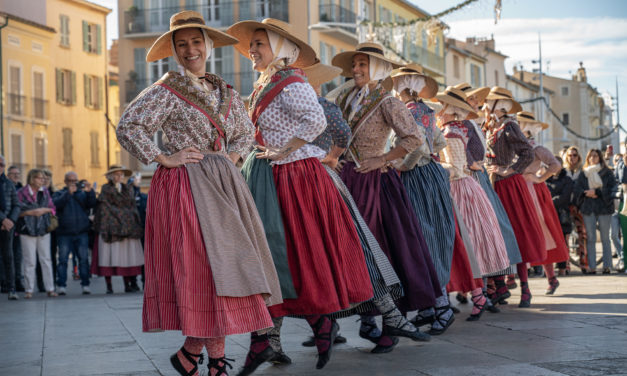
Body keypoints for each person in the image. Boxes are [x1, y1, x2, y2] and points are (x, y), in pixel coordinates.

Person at [117, 11, 281, 376]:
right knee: (204, 271)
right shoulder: (166, 88)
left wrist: (232, 157)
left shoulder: (224, 90)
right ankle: (213, 363)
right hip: (185, 184)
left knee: (225, 270)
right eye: (182, 44)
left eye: (195, 42)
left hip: (223, 183)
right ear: (175, 51)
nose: (190, 49)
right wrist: (164, 157)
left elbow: (243, 132)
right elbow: (129, 125)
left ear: (207, 45)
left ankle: (194, 355)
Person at [228, 19, 374, 373]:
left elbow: (316, 122)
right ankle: (276, 338)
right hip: (267, 175)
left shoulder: (292, 81)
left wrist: (285, 149)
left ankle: (307, 328)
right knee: (269, 258)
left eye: (260, 44)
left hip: (293, 177)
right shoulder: (266, 83)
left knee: (292, 255)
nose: (253, 50)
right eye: (253, 44)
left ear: (279, 48)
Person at [331, 42, 442, 335]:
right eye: (354, 65)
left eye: (362, 65)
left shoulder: (388, 101)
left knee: (378, 244)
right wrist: (335, 157)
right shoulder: (347, 98)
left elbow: (414, 138)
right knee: (350, 245)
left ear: (378, 69)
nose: (355, 70)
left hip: (375, 180)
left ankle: (384, 317)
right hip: (348, 179)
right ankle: (366, 316)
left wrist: (383, 158)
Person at [390, 64, 457, 332]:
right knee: (432, 237)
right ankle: (430, 306)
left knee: (424, 239)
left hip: (416, 177)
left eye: (396, 83)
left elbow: (416, 144)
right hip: (433, 175)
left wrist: (403, 165)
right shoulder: (427, 111)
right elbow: (439, 143)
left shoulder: (409, 112)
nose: (393, 87)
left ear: (404, 86)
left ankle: (441, 306)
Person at [435, 86, 509, 320]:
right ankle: (478, 294)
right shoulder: (457, 129)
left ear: (449, 110)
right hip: (466, 185)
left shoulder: (449, 133)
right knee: (468, 242)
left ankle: (476, 295)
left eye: (441, 108)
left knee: (464, 242)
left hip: (457, 188)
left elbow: (455, 169)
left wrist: (432, 166)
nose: (438, 112)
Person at [454, 82, 522, 308]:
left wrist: (508, 169)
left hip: (474, 178)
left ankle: (489, 286)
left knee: (481, 229)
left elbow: (475, 155)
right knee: (484, 229)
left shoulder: (469, 124)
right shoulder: (473, 123)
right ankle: (491, 285)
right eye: (471, 99)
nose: (477, 103)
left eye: (477, 100)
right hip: (478, 178)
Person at [483, 87, 545, 308]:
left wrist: (511, 170)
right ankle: (500, 285)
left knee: (517, 233)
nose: (484, 105)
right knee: (497, 232)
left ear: (497, 105)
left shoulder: (509, 125)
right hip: (494, 183)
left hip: (508, 185)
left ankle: (525, 289)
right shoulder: (494, 126)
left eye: (488, 102)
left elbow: (527, 152)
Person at [518, 111, 569, 294]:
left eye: (520, 123)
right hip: (517, 191)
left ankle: (551, 277)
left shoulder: (536, 147)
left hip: (533, 193)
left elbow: (556, 165)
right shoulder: (514, 145)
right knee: (522, 234)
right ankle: (520, 282)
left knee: (541, 234)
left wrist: (540, 178)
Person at [92, 165, 143, 294]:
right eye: (116, 174)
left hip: (127, 228)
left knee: (126, 256)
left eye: (120, 174)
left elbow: (132, 206)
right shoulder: (106, 189)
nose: (119, 177)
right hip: (111, 227)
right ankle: (109, 286)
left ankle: (128, 284)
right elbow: (105, 207)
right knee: (109, 256)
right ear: (110, 176)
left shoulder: (128, 189)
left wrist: (129, 220)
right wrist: (121, 215)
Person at [574, 149, 618, 274]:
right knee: (591, 238)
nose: (593, 158)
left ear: (600, 157)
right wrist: (586, 193)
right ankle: (592, 267)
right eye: (590, 156)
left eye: (595, 156)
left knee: (605, 238)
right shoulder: (583, 173)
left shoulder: (607, 172)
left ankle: (607, 266)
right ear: (587, 158)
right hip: (588, 208)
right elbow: (577, 189)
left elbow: (611, 189)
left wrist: (597, 192)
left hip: (604, 208)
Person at [52, 172, 97, 295]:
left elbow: (92, 204)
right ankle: (61, 285)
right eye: (70, 180)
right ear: (65, 181)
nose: (73, 183)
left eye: (75, 180)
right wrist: (68, 193)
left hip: (81, 232)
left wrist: (89, 192)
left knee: (83, 260)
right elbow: (55, 205)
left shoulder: (82, 194)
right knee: (62, 260)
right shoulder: (59, 193)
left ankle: (85, 285)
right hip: (64, 233)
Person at [16, 169, 57, 298]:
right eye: (40, 178)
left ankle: (50, 288)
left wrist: (42, 210)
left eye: (43, 178)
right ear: (32, 179)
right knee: (29, 261)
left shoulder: (45, 192)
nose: (42, 180)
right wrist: (31, 212)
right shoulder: (21, 193)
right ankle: (29, 290)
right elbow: (17, 210)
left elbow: (52, 208)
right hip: (26, 230)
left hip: (43, 229)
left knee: (46, 260)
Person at [546, 155, 574, 276]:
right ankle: (550, 270)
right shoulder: (545, 179)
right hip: (548, 215)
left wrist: (551, 201)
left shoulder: (567, 179)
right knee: (550, 242)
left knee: (562, 242)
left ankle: (562, 268)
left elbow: (565, 197)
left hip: (562, 215)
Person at [564, 146, 588, 271]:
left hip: (580, 207)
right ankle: (566, 265)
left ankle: (584, 263)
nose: (572, 157)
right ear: (566, 157)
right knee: (566, 236)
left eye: (575, 155)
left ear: (578, 157)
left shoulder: (583, 172)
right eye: (570, 155)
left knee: (582, 235)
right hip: (566, 208)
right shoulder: (563, 171)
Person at [0, 155, 20, 300]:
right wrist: (3, 219)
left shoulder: (8, 183)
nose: (0, 167)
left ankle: (11, 288)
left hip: (8, 226)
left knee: (9, 257)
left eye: (2, 165)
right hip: (3, 222)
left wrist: (11, 220)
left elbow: (16, 204)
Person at [7, 165, 24, 291]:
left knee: (18, 257)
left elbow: (20, 206)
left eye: (18, 174)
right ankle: (6, 283)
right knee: (5, 256)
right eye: (13, 174)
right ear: (8, 175)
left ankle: (18, 281)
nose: (16, 176)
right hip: (5, 225)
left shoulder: (22, 189)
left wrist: (13, 219)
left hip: (17, 227)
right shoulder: (4, 187)